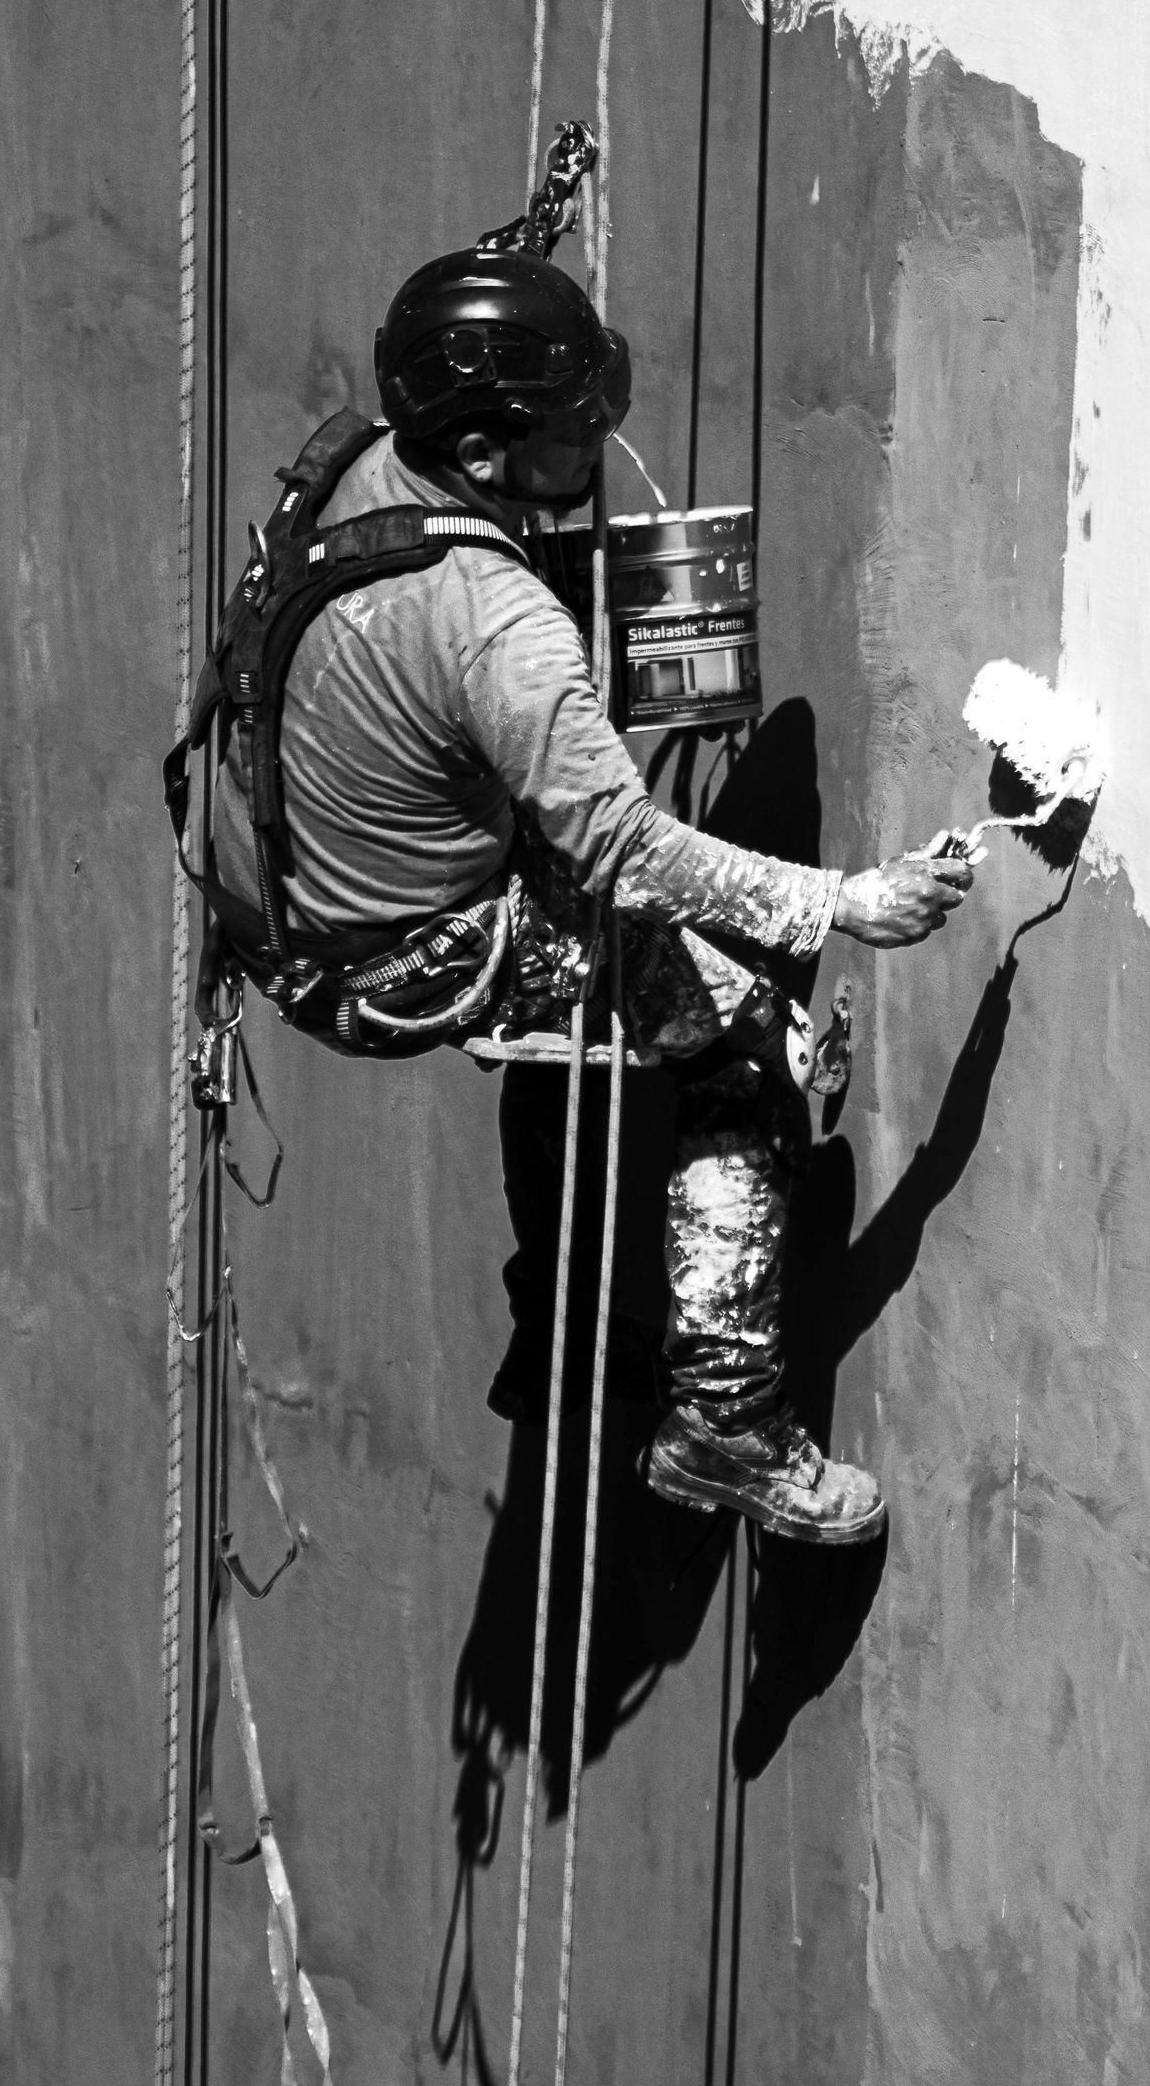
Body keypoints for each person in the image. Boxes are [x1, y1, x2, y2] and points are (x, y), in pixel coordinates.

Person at [191, 172, 973, 1546]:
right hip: (399, 958)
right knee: (736, 1036)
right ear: (486, 457)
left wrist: (524, 255)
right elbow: (623, 849)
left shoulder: (374, 455)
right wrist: (836, 904)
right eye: (568, 431)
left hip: (290, 892)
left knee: (608, 959)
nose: (594, 446)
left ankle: (558, 1315)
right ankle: (724, 1421)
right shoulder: (499, 624)